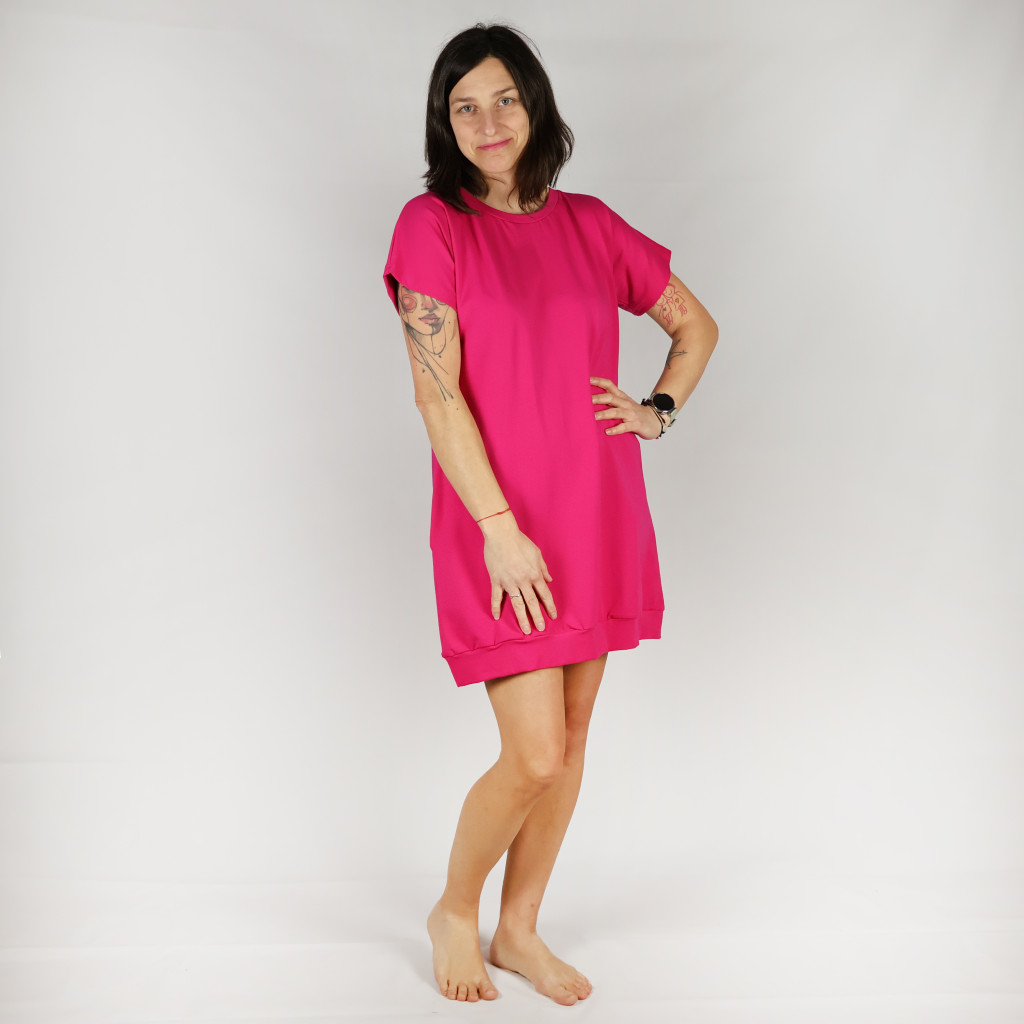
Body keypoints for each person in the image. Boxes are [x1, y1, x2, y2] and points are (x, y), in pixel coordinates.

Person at [382, 23, 718, 1006]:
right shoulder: (432, 225)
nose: (487, 122)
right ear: (444, 124)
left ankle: (520, 927)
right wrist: (498, 529)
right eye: (464, 107)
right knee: (530, 753)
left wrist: (655, 409)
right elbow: (436, 392)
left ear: (536, 106)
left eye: (505, 99)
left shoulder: (592, 224)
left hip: (595, 511)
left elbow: (696, 326)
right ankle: (455, 909)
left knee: (567, 743)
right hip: (499, 524)